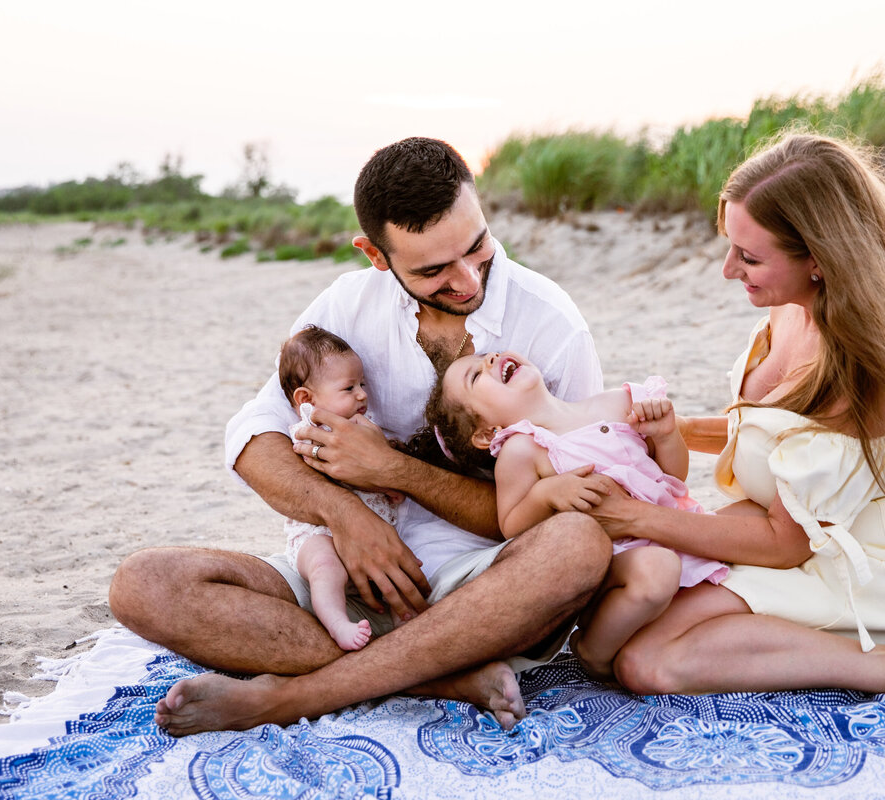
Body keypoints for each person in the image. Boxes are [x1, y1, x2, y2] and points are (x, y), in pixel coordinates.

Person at [108, 137, 612, 735]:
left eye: (476, 246)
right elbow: (255, 436)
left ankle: (289, 698)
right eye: (432, 269)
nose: (467, 275)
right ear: (376, 253)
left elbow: (573, 498)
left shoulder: (551, 324)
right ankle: (439, 678)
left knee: (578, 544)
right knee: (144, 585)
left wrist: (395, 471)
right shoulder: (344, 306)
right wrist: (347, 517)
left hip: (483, 588)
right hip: (339, 581)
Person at [581, 132, 885, 697]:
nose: (729, 270)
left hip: (856, 566)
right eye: (729, 246)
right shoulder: (791, 309)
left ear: (820, 262)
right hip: (781, 524)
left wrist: (632, 517)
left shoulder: (861, 376)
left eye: (749, 257)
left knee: (648, 662)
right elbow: (763, 433)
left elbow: (788, 543)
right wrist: (630, 433)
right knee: (631, 613)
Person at [425, 351, 727, 679]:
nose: (490, 359)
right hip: (616, 565)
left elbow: (673, 479)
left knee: (729, 560)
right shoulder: (523, 450)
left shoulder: (616, 403)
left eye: (487, 355)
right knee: (659, 571)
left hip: (675, 533)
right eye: (475, 375)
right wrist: (545, 494)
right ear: (487, 432)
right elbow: (511, 525)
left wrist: (667, 436)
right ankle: (593, 650)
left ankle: (658, 636)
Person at [278, 325, 401, 651]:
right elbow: (332, 470)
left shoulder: (363, 426)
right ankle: (336, 622)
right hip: (317, 534)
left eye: (362, 384)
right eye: (348, 388)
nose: (362, 394)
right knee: (325, 568)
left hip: (369, 536)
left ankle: (406, 629)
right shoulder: (311, 431)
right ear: (307, 399)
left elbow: (382, 467)